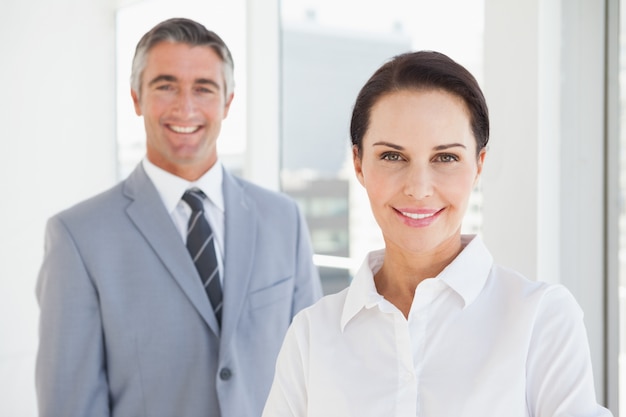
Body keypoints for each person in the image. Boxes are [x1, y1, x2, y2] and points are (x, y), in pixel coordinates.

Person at [262, 51, 613, 417]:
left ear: (478, 165)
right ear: (358, 164)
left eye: (445, 158)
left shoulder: (540, 318)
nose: (418, 188)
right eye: (392, 157)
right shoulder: (311, 335)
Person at [35, 17, 322, 417]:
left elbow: (315, 375)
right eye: (165, 86)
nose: (185, 107)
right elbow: (72, 404)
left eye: (203, 88)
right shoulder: (78, 237)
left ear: (227, 102)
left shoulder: (283, 219)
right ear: (136, 97)